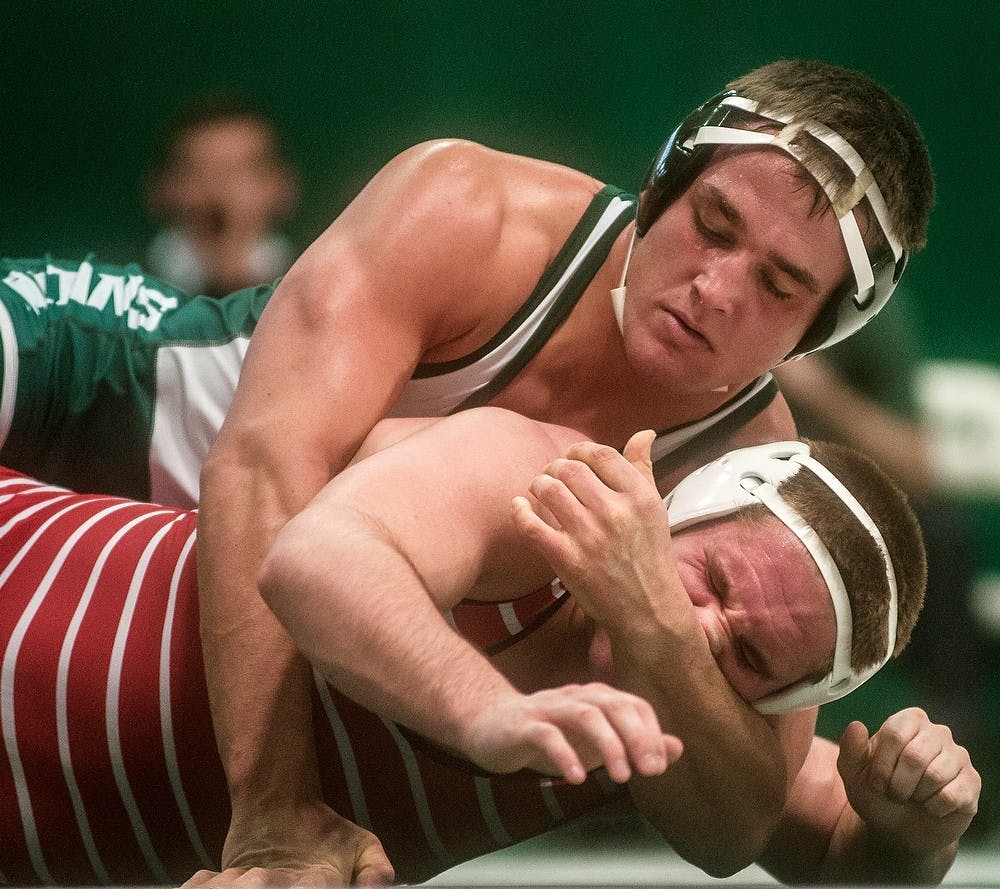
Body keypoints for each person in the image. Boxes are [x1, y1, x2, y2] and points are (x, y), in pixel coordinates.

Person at [0, 58, 934, 878]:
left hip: (180, 556)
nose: (716, 288)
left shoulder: (750, 468)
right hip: (99, 373)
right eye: (714, 226)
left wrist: (906, 837)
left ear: (818, 333)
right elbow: (260, 472)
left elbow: (749, 808)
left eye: (778, 285)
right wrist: (274, 812)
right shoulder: (472, 211)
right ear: (661, 185)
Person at [0, 410, 973, 886]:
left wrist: (913, 832)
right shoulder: (543, 482)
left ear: (781, 700)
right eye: (710, 577)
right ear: (677, 506)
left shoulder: (685, 736)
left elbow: (822, 854)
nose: (699, 628)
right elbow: (312, 561)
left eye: (750, 658)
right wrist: (487, 710)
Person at [143, 91, 300, 299]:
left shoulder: (320, 287)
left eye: (243, 171)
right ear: (161, 188)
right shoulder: (117, 295)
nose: (222, 190)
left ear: (282, 186)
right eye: (199, 171)